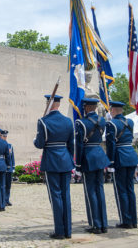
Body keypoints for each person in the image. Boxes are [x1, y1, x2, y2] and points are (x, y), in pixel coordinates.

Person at [34, 94, 74, 239]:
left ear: (49, 103)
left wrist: (35, 138)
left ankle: (59, 231)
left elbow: (39, 144)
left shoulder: (43, 122)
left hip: (51, 160)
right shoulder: (68, 121)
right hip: (65, 160)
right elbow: (71, 144)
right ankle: (68, 230)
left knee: (56, 196)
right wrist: (71, 161)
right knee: (66, 195)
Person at [75, 98, 109, 234]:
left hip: (88, 156)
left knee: (91, 191)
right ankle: (104, 223)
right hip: (100, 155)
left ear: (86, 107)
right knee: (99, 189)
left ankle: (96, 224)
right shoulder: (103, 121)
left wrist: (77, 165)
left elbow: (79, 145)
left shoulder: (81, 123)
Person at [105, 101, 138, 229]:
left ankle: (126, 220)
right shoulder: (130, 122)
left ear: (112, 110)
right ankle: (133, 219)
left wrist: (111, 162)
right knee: (130, 189)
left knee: (121, 190)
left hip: (120, 157)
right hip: (131, 155)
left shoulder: (111, 124)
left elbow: (111, 144)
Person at [1, 130, 15, 206]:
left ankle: (7, 199)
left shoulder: (10, 146)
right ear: (1, 136)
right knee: (2, 185)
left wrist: (13, 167)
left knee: (8, 185)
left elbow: (12, 157)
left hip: (9, 169)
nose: (5, 137)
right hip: (2, 168)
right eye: (4, 136)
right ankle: (2, 200)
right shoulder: (0, 145)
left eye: (6, 136)